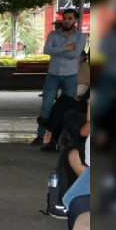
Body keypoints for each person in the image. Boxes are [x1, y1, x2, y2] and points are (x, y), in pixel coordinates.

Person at [33, 8, 88, 145]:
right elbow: (46, 50)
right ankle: (40, 136)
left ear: (75, 20)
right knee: (46, 106)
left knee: (67, 107)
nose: (67, 21)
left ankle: (63, 136)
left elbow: (75, 55)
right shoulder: (53, 34)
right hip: (53, 75)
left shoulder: (80, 37)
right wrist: (65, 49)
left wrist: (56, 52)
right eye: (65, 18)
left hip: (70, 76)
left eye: (70, 18)